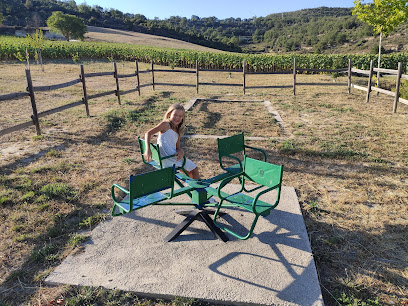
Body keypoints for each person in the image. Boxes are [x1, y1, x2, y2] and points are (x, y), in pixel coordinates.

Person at [143, 103, 200, 179]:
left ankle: (196, 188)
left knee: (190, 172)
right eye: (175, 115)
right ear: (169, 114)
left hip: (172, 156)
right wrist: (148, 149)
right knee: (194, 169)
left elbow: (177, 147)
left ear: (182, 118)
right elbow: (148, 133)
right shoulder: (165, 125)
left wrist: (181, 151)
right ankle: (200, 189)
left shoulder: (178, 130)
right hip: (167, 158)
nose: (177, 118)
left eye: (180, 116)